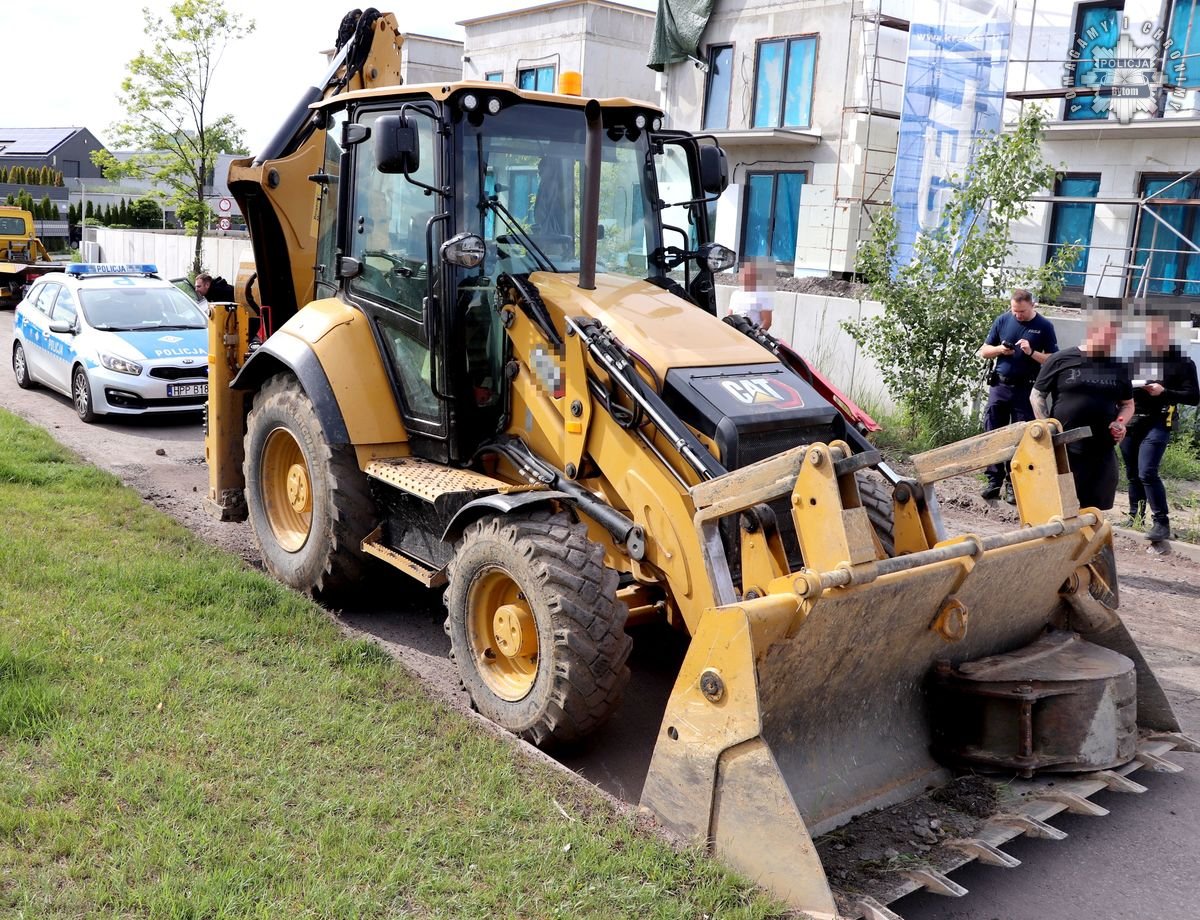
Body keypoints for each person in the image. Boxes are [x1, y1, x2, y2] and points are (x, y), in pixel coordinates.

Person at [1031, 311, 1134, 511]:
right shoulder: (1061, 359)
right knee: (1060, 507)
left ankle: (1089, 541)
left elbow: (1128, 404)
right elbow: (1037, 395)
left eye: (1115, 337)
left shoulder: (1119, 368)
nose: (1112, 342)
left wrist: (1121, 422)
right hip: (1065, 448)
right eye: (1109, 336)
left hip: (1101, 448)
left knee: (1095, 509)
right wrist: (1047, 428)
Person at [1121, 310, 1199, 541]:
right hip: (1134, 420)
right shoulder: (1139, 357)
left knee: (1147, 471)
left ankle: (1161, 522)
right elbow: (1125, 388)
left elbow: (1193, 397)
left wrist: (1164, 392)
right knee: (1133, 473)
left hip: (1159, 421)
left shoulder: (1183, 363)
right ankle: (1135, 517)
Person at [977, 288, 1058, 500]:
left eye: (1021, 311)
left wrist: (1031, 352)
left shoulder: (1044, 326)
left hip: (1026, 388)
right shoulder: (1003, 320)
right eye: (1014, 310)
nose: (1017, 315)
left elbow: (1052, 360)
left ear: (1033, 305)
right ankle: (993, 481)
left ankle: (1014, 484)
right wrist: (999, 350)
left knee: (1021, 437)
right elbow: (984, 351)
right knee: (994, 433)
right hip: (1000, 386)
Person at [727, 257, 774, 330]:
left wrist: (755, 334)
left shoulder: (763, 295)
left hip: (752, 336)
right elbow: (730, 316)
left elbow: (767, 322)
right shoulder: (735, 294)